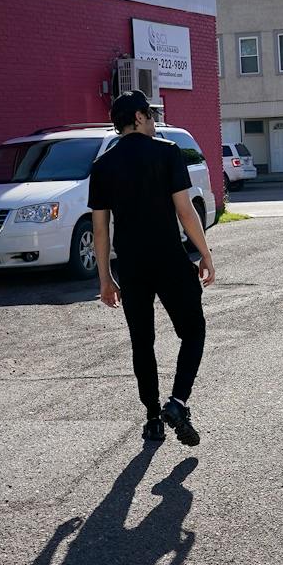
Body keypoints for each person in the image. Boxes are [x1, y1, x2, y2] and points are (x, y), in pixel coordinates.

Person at [89, 90, 215, 446]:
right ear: (140, 117)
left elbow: (100, 229)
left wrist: (105, 278)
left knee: (141, 341)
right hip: (169, 258)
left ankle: (151, 419)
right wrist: (205, 253)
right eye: (151, 115)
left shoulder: (102, 167)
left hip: (130, 265)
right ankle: (176, 403)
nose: (155, 121)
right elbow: (185, 211)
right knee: (193, 330)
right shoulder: (167, 152)